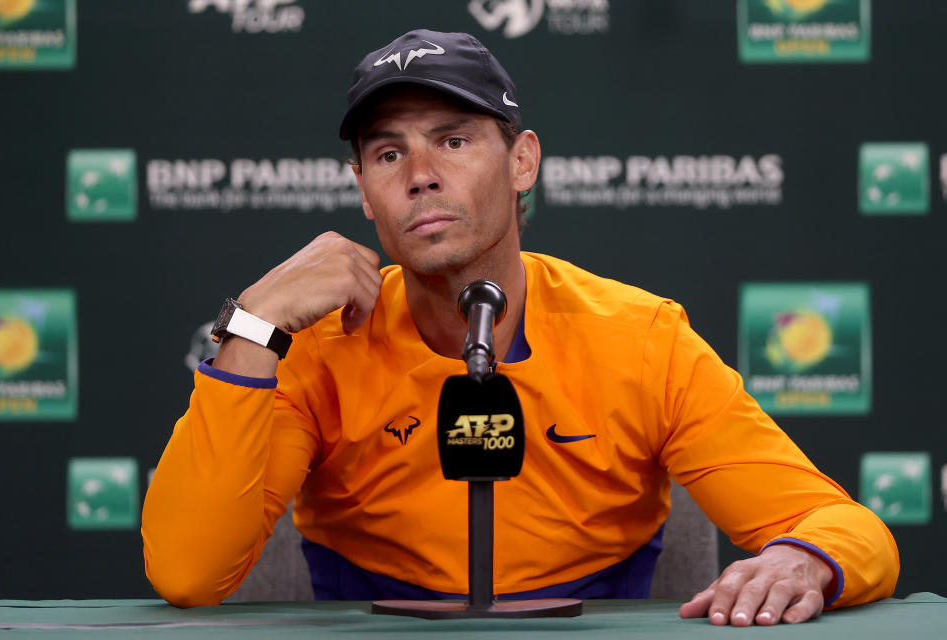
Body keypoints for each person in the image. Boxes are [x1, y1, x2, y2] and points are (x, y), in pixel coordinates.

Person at [142, 28, 898, 626]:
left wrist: (804, 560)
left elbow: (839, 524)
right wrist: (255, 322)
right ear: (364, 194)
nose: (421, 173)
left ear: (523, 161)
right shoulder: (314, 348)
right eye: (387, 152)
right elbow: (185, 573)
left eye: (455, 139)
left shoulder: (640, 337)